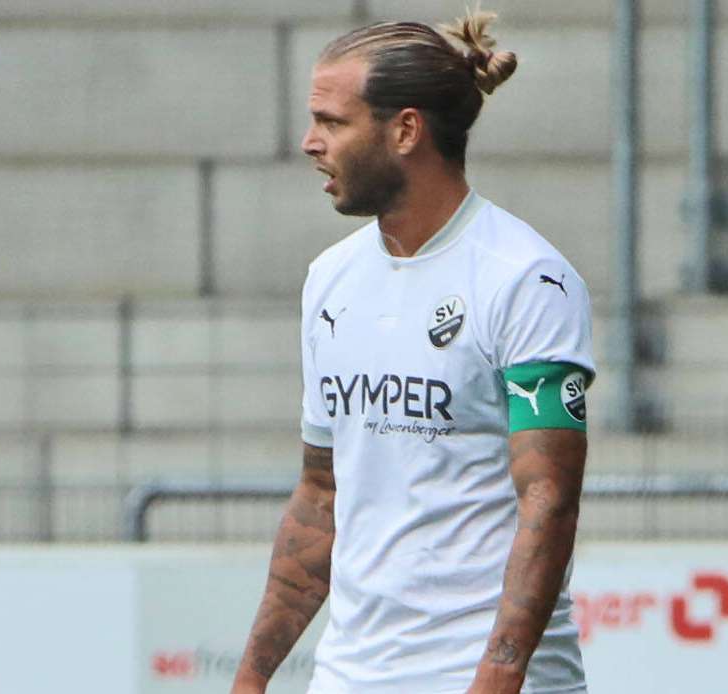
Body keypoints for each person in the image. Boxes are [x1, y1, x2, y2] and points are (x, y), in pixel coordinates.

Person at [231, 9, 595, 694]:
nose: (310, 143)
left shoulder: (526, 278)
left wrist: (499, 676)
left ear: (405, 129)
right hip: (351, 677)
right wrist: (251, 677)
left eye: (332, 122)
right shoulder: (329, 280)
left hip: (483, 678)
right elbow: (320, 494)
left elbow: (548, 499)